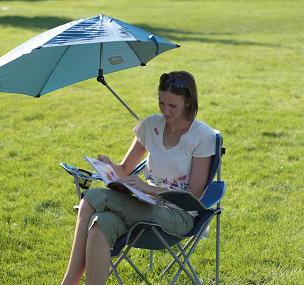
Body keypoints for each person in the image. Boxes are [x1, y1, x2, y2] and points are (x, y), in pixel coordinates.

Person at [61, 71, 218, 285]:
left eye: (173, 106)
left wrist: (147, 188)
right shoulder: (150, 126)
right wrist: (108, 166)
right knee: (100, 225)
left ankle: (68, 282)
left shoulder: (202, 136)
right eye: (162, 103)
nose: (166, 111)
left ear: (188, 102)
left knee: (92, 197)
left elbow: (194, 194)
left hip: (178, 216)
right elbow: (125, 169)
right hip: (144, 205)